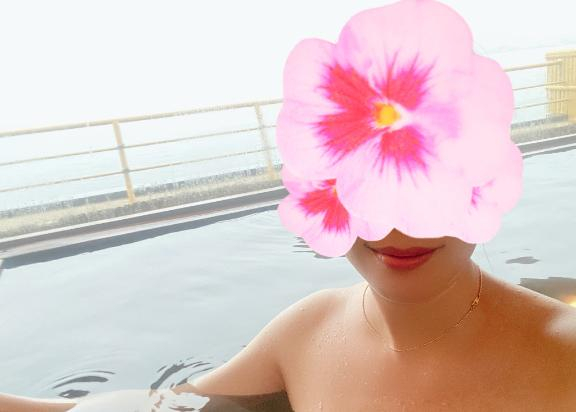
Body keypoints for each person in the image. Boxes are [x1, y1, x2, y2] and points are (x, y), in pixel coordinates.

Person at [2, 0, 576, 410]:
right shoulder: (308, 330)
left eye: (429, 183)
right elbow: (166, 407)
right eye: (360, 184)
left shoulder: (564, 354)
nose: (397, 224)